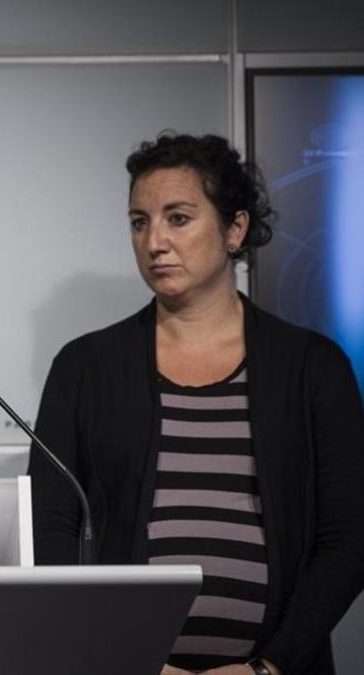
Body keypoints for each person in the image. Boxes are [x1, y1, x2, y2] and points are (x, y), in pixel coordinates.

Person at [29, 133, 364, 674]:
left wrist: (269, 667)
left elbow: (347, 542)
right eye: (140, 222)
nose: (154, 241)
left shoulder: (313, 367)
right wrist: (126, 657)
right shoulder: (84, 367)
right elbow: (49, 531)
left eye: (177, 218)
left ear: (235, 229)